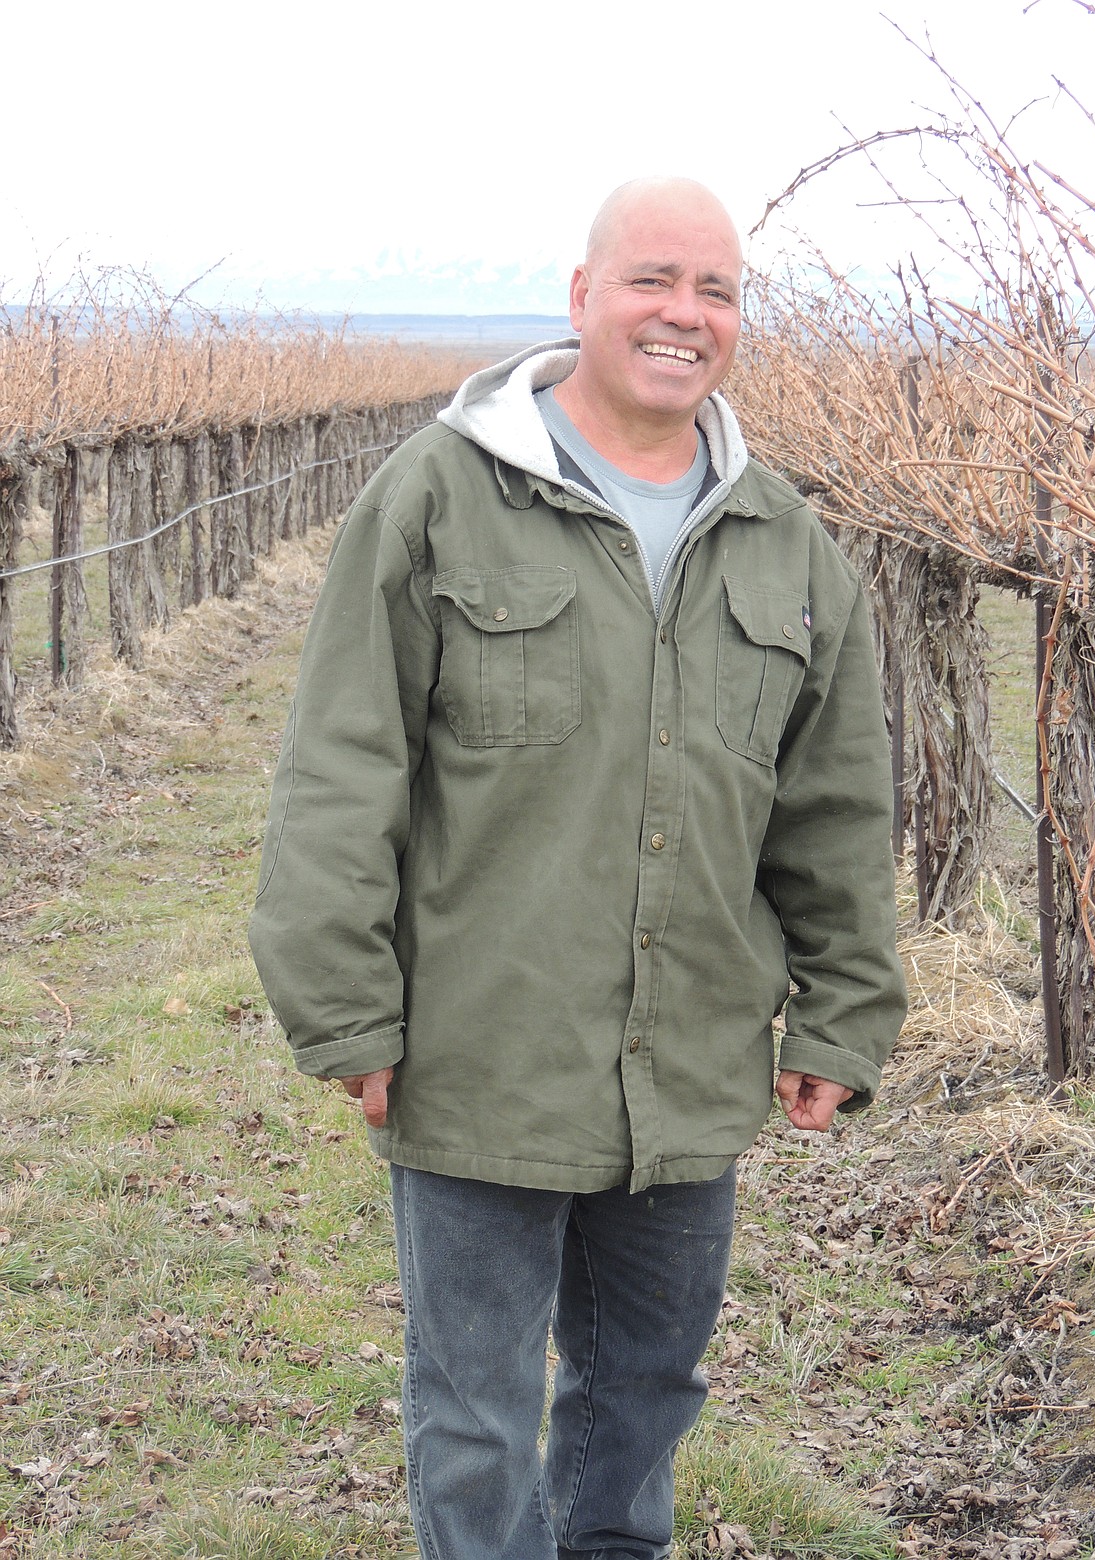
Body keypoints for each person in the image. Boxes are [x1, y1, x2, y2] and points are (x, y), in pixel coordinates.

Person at [249, 176, 907, 1560]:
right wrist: (345, 1010)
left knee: (643, 1398)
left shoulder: (785, 539)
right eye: (652, 281)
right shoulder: (436, 492)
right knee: (477, 1416)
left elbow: (834, 809)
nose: (683, 315)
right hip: (478, 1051)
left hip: (687, 1071)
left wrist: (844, 1013)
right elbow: (340, 768)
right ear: (581, 296)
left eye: (715, 291)